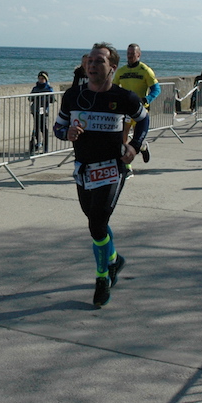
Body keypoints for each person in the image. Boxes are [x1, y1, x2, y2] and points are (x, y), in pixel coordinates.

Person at [53, 42, 148, 308]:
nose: (92, 65)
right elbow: (58, 128)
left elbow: (143, 120)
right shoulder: (73, 96)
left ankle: (102, 277)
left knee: (96, 223)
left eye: (99, 61)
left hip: (112, 168)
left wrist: (134, 146)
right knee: (97, 225)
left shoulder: (125, 97)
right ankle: (114, 259)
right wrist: (67, 133)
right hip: (84, 169)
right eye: (90, 61)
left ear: (112, 68)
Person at [112, 43, 161, 163]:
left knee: (136, 140)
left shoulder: (145, 70)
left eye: (132, 54)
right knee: (122, 138)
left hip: (140, 110)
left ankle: (143, 146)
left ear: (138, 55)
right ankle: (126, 166)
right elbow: (113, 88)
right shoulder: (121, 71)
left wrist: (147, 99)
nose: (129, 56)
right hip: (125, 110)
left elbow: (156, 89)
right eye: (128, 53)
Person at [29, 71, 55, 154]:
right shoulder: (35, 88)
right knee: (36, 127)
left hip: (43, 110)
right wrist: (34, 98)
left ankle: (45, 146)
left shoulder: (49, 88)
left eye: (42, 79)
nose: (41, 80)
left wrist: (45, 98)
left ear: (46, 79)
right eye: (39, 78)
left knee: (43, 127)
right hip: (35, 109)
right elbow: (30, 98)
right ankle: (38, 143)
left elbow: (52, 99)